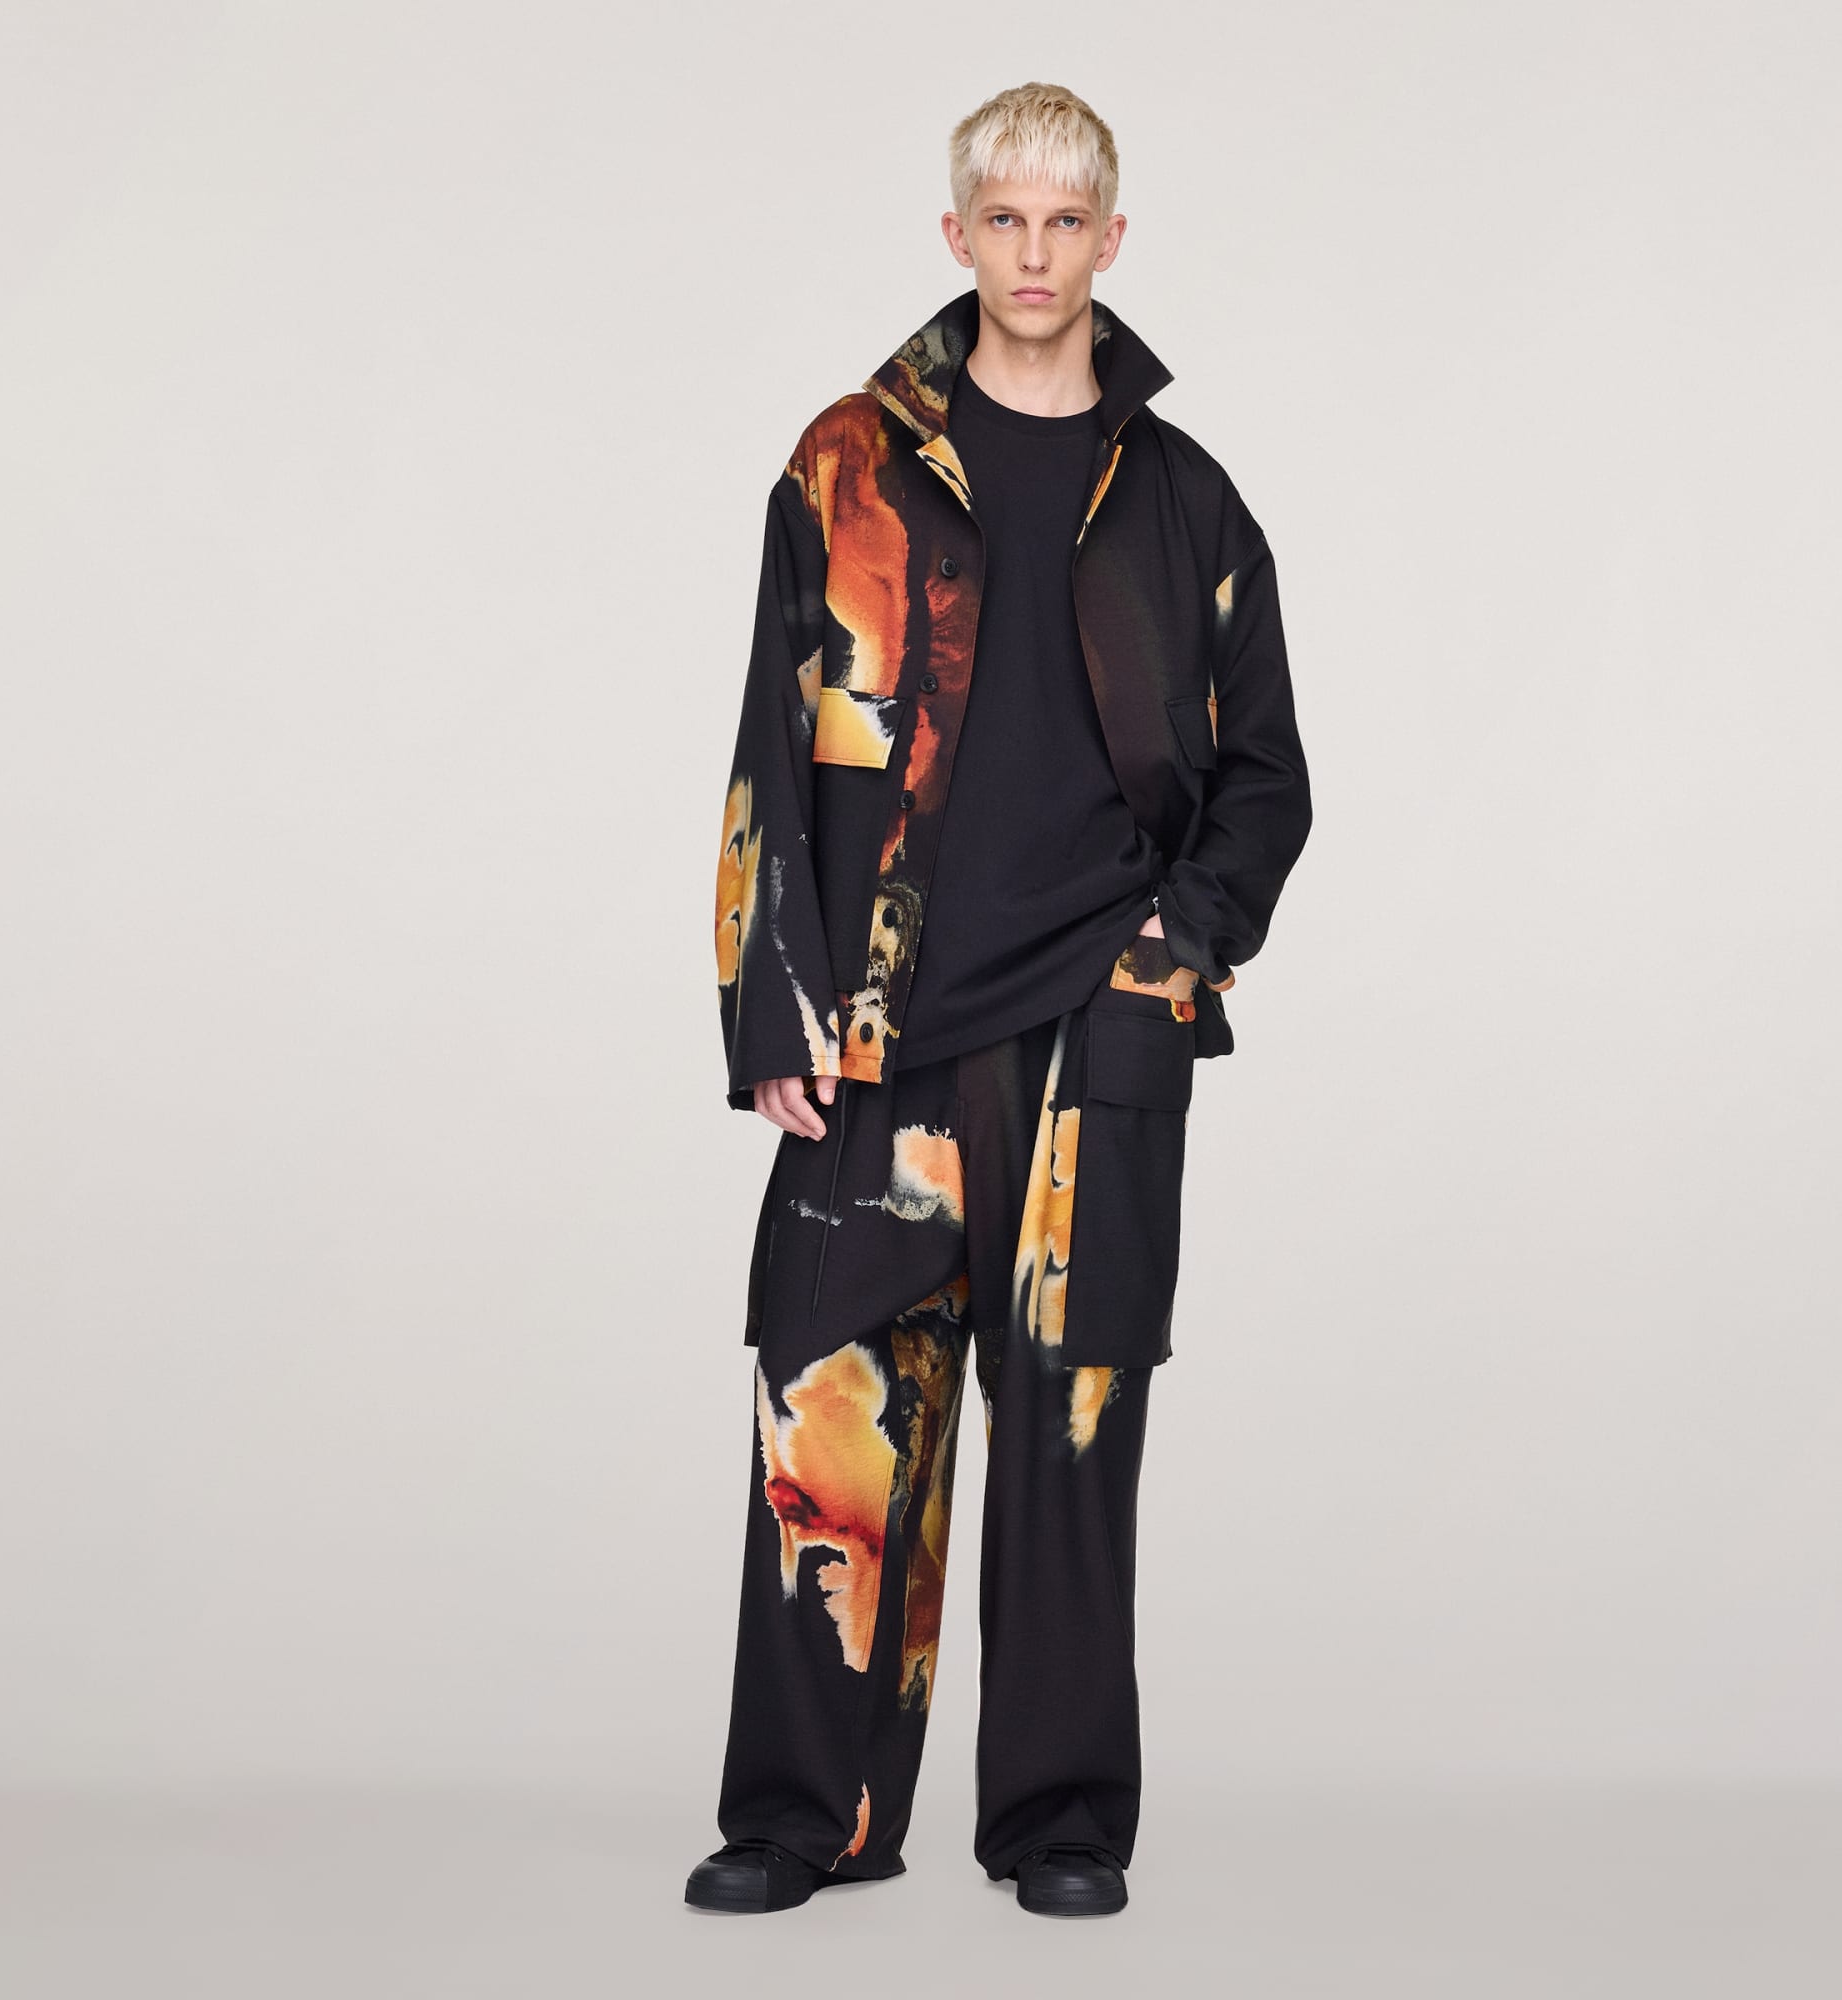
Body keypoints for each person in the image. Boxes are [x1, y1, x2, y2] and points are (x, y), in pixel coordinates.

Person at [690, 80, 1312, 1919]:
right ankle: (801, 1818)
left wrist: (1172, 954)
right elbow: (768, 747)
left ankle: (1060, 1826)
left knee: (1069, 1438)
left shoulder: (1187, 503)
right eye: (1004, 221)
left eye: (1066, 223)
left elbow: (1267, 779)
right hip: (878, 1036)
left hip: (1092, 1040)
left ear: (1109, 242)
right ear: (956, 237)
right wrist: (770, 1004)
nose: (1034, 256)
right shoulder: (846, 466)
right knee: (830, 1432)